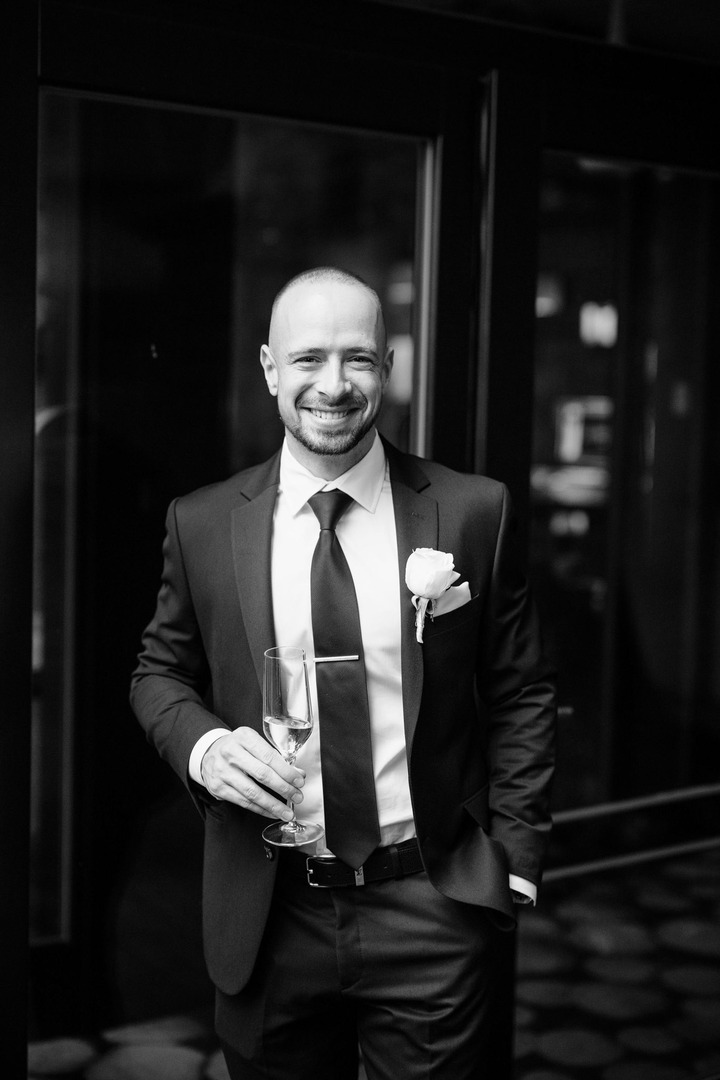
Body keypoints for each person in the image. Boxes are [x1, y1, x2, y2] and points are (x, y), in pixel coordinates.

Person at [130, 266, 556, 1080]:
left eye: (358, 358)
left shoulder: (472, 510)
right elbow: (157, 671)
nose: (334, 384)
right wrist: (205, 747)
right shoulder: (204, 521)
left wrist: (519, 861)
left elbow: (523, 687)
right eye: (309, 359)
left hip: (433, 903)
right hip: (268, 909)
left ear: (388, 366)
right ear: (268, 369)